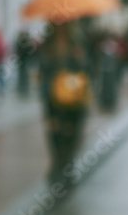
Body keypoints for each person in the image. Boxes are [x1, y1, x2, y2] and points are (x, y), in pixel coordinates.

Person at [38, 23, 91, 184]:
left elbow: (87, 68)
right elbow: (43, 71)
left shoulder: (78, 41)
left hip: (73, 98)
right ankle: (57, 165)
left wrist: (79, 58)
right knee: (54, 132)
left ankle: (67, 166)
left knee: (71, 132)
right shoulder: (47, 44)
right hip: (53, 98)